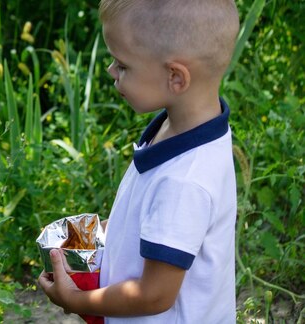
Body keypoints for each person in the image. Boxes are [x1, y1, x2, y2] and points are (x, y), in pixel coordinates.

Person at [38, 1, 240, 323]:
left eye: (123, 65)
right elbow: (157, 219)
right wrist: (94, 235)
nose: (111, 71)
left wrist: (78, 300)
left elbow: (154, 294)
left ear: (176, 77)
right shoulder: (181, 128)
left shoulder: (184, 181)